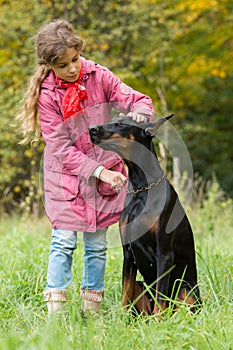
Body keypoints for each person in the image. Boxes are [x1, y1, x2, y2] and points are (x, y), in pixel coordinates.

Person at [17, 19, 154, 315]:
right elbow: (59, 147)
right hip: (65, 180)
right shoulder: (48, 94)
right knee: (64, 242)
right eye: (62, 64)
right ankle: (57, 315)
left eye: (75, 59)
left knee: (96, 245)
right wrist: (99, 170)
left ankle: (91, 311)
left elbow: (136, 99)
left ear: (80, 51)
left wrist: (141, 113)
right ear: (49, 66)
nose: (71, 68)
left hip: (102, 184)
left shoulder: (98, 76)